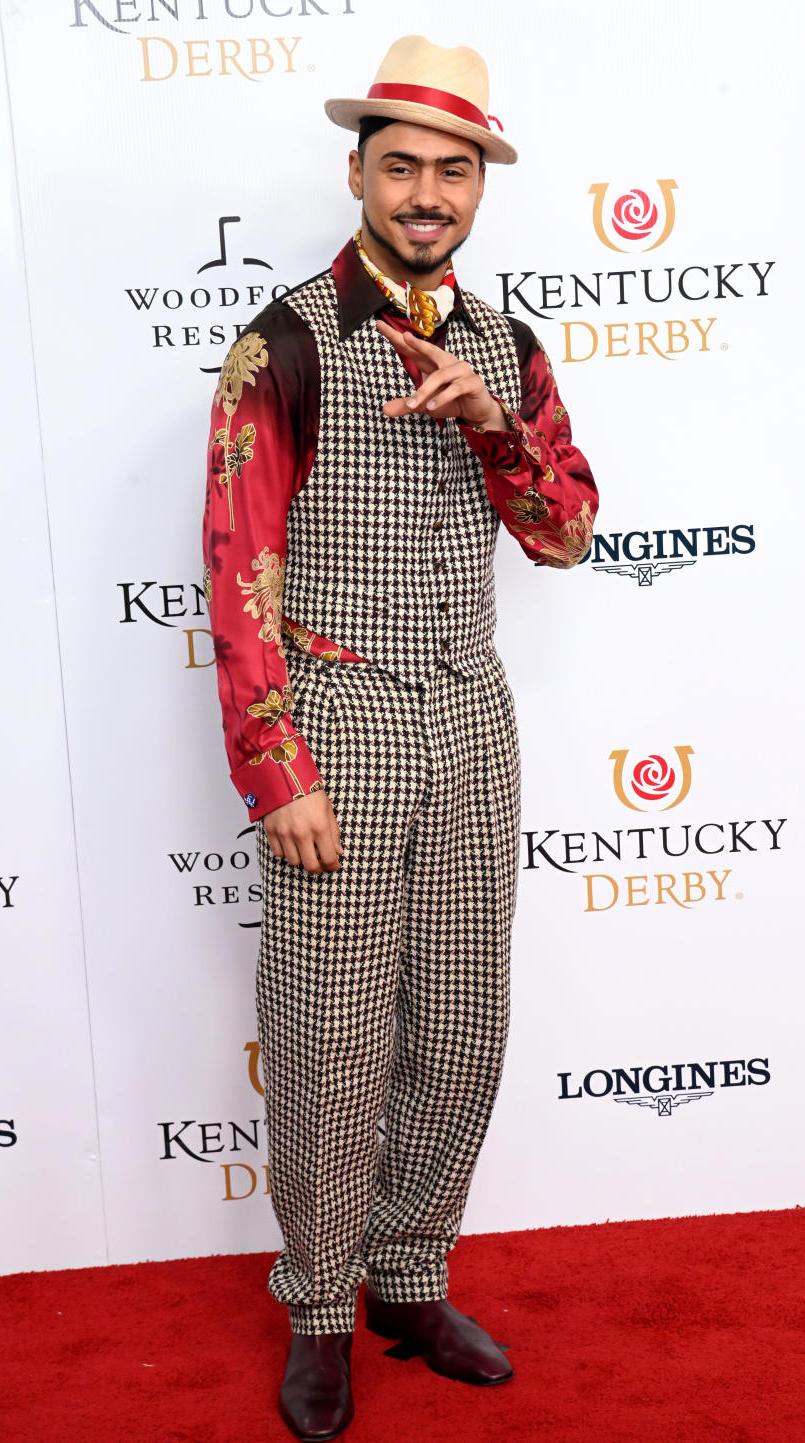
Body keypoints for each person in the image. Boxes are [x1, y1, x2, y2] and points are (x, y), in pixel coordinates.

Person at [202, 32, 599, 1442]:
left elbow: (564, 533)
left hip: (473, 718)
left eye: (453, 169)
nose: (427, 192)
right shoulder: (289, 341)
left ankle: (411, 1277)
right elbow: (237, 569)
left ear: (478, 185)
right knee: (327, 1036)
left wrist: (498, 424)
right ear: (356, 170)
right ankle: (319, 1305)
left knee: (465, 1021)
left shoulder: (505, 342)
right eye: (401, 164)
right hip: (341, 720)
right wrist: (277, 770)